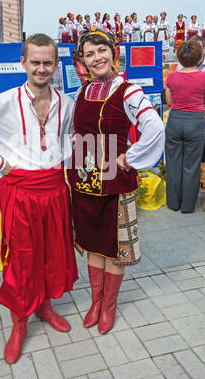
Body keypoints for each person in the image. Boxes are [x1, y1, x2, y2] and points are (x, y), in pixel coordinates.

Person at [0, 34, 78, 363]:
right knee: (22, 259)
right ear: (23, 62)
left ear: (55, 65)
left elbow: (76, 139)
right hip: (20, 191)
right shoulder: (4, 102)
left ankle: (46, 307)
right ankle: (20, 322)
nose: (41, 68)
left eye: (47, 62)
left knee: (53, 254)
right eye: (35, 61)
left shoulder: (68, 103)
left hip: (54, 190)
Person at [68, 28, 165, 335]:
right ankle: (94, 302)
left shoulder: (128, 91)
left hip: (113, 181)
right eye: (90, 54)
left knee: (116, 246)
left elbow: (155, 129)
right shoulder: (81, 92)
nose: (97, 58)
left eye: (102, 50)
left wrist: (131, 158)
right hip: (84, 182)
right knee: (95, 244)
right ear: (82, 60)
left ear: (113, 52)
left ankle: (109, 306)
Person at [165, 39, 205, 212]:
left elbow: (169, 102)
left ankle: (173, 203)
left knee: (173, 163)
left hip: (175, 120)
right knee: (191, 165)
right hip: (195, 122)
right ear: (199, 57)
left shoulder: (172, 76)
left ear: (179, 57)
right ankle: (187, 205)